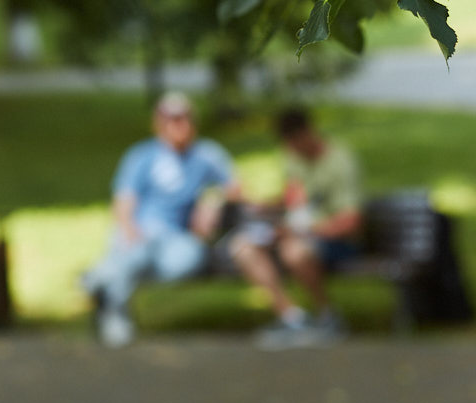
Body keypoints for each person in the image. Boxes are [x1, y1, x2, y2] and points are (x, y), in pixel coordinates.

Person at [83, 91, 239, 347]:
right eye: (171, 119)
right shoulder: (141, 156)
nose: (179, 125)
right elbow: (123, 202)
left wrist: (212, 199)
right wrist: (130, 230)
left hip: (177, 237)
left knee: (187, 259)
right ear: (158, 123)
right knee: (136, 254)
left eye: (184, 118)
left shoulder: (206, 154)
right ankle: (115, 313)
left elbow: (236, 187)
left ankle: (103, 277)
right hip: (142, 231)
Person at [230, 106, 363, 348]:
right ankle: (292, 318)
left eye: (293, 143)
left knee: (295, 251)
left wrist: (307, 230)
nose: (290, 150)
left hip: (335, 239)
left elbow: (351, 222)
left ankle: (328, 317)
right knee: (243, 247)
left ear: (307, 133)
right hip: (294, 233)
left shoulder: (340, 162)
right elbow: (294, 200)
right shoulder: (293, 159)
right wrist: (262, 207)